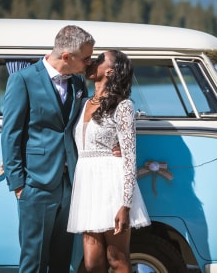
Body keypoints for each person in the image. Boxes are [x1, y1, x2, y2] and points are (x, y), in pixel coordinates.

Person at [1, 25, 94, 273]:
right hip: (36, 184)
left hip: (70, 184)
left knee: (63, 261)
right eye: (86, 58)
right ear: (66, 57)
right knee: (34, 261)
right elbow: (11, 134)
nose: (90, 63)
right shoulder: (22, 80)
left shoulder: (78, 83)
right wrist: (18, 184)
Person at [67, 50, 151, 273]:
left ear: (111, 71)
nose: (93, 62)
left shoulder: (123, 106)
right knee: (92, 263)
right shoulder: (83, 103)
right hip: (87, 184)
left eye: (100, 60)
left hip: (111, 184)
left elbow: (130, 156)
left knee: (117, 258)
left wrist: (126, 205)